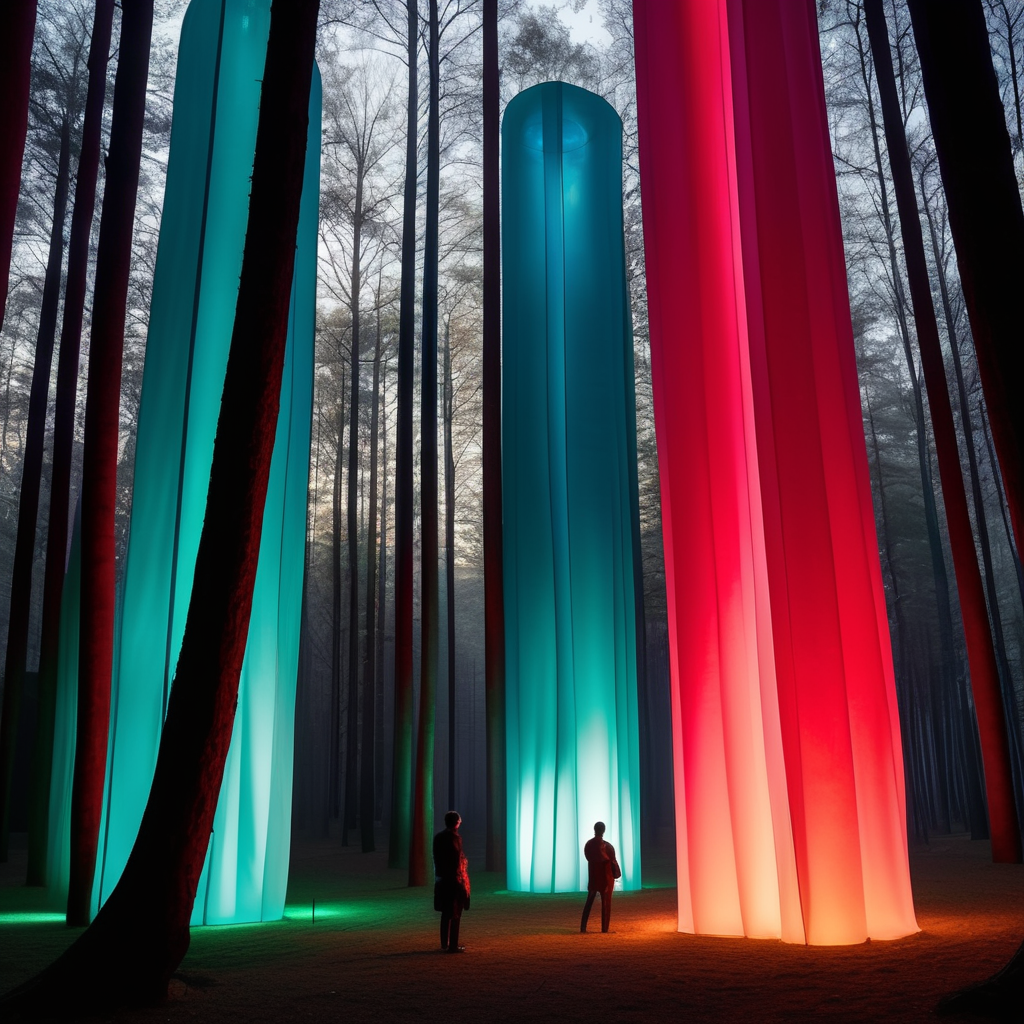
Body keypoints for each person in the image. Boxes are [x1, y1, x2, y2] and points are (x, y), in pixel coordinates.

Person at [433, 810, 471, 952]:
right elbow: (457, 862)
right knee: (456, 913)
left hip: (442, 879)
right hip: (454, 880)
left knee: (446, 913)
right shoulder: (455, 838)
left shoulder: (438, 837)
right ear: (456, 823)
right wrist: (462, 881)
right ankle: (453, 945)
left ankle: (445, 944)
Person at [580, 821, 620, 933]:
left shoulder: (589, 844)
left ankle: (583, 927)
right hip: (606, 877)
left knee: (589, 902)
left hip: (593, 876)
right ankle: (604, 928)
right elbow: (612, 861)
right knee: (606, 903)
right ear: (604, 831)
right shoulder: (608, 846)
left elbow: (588, 857)